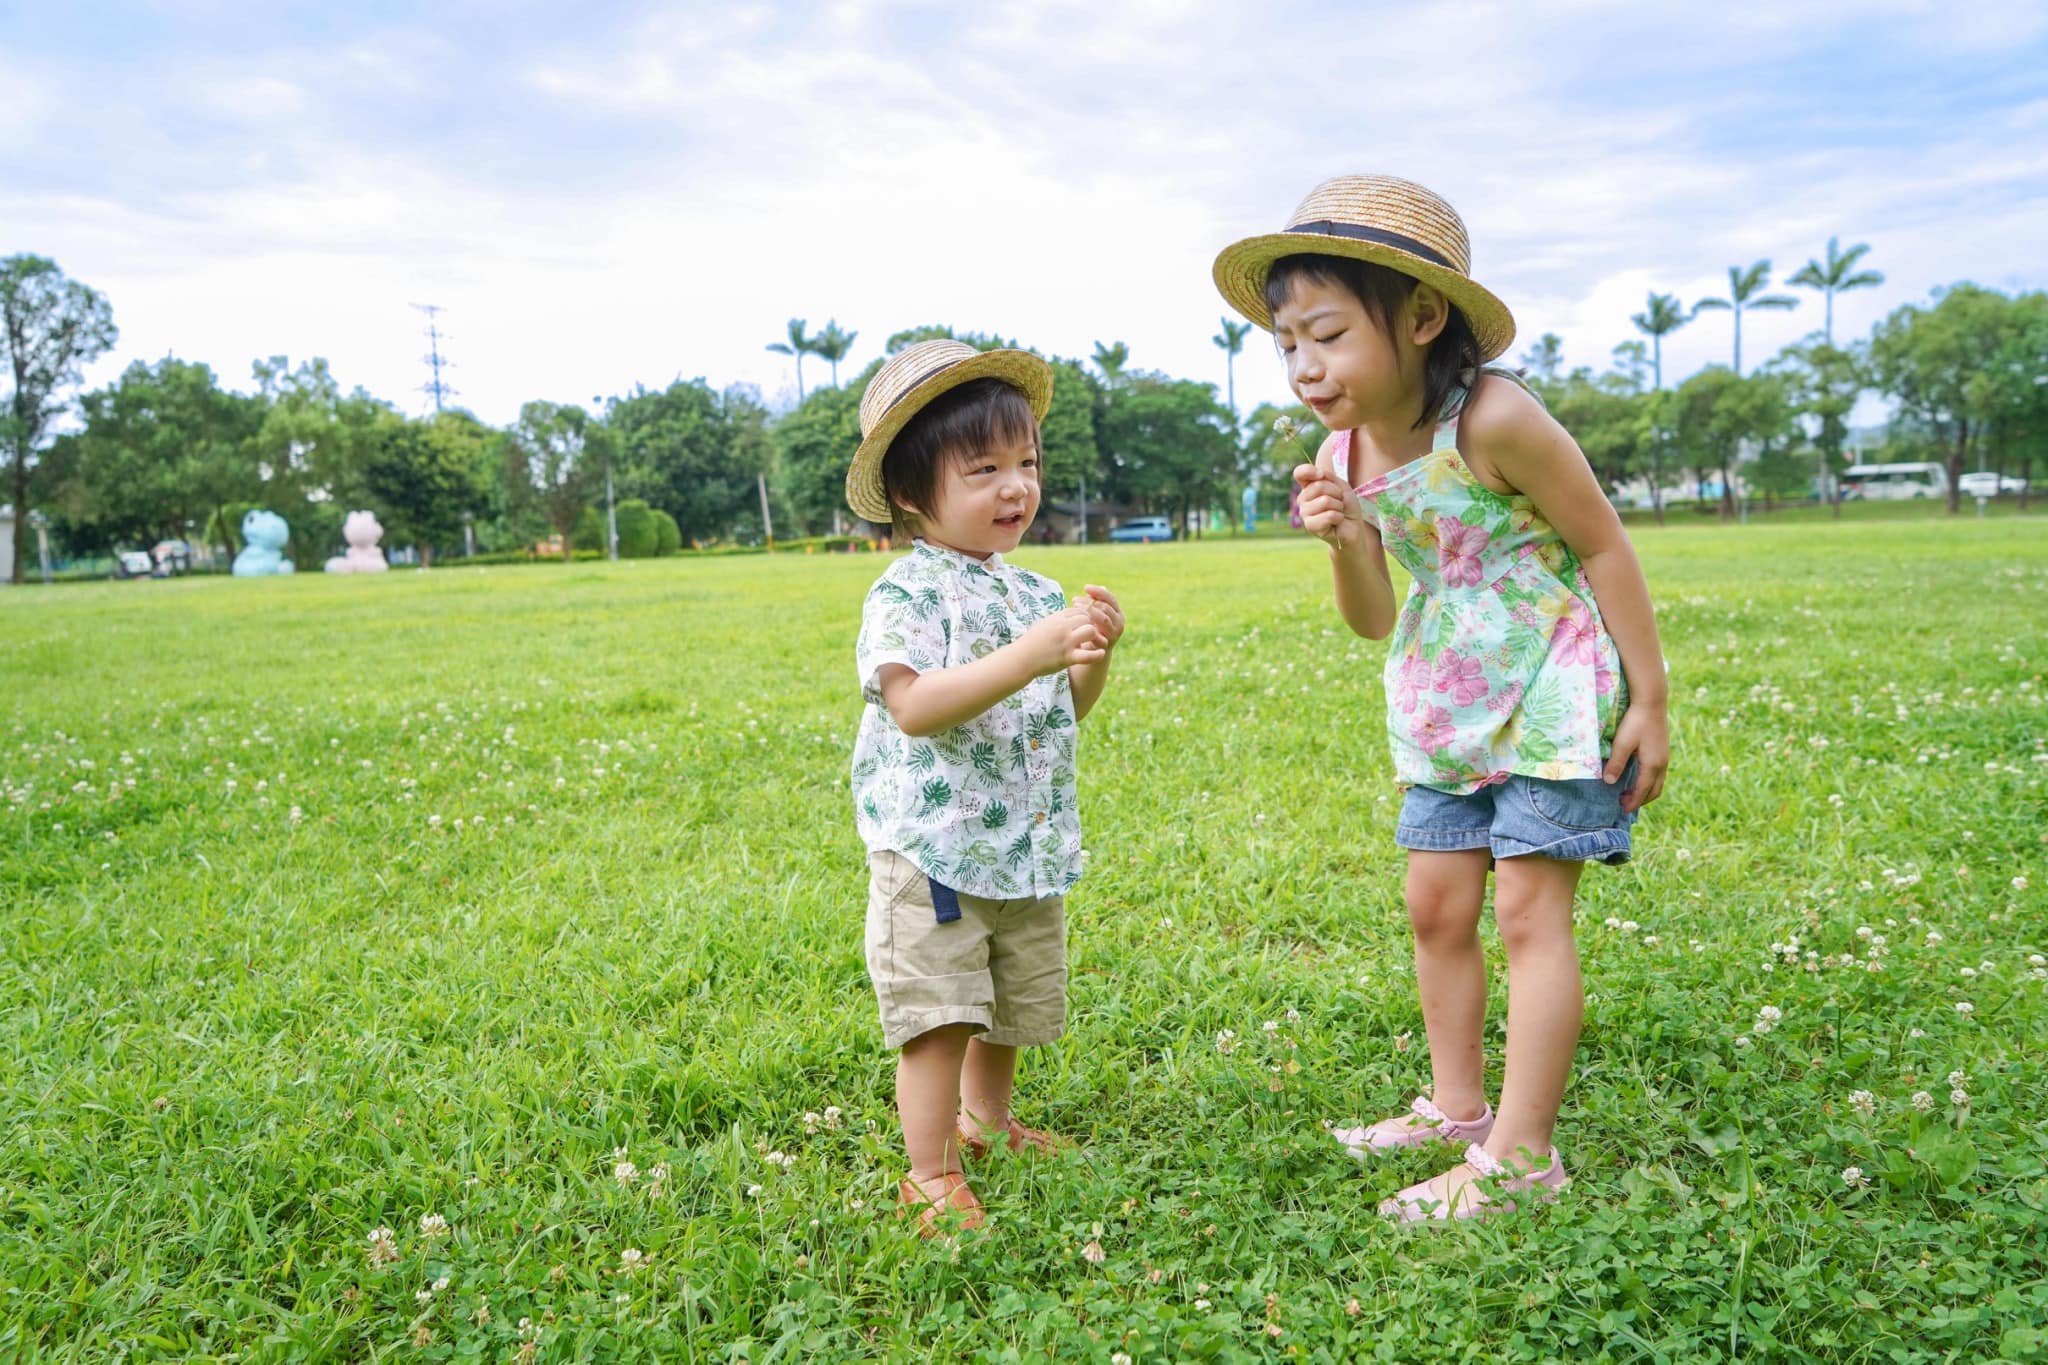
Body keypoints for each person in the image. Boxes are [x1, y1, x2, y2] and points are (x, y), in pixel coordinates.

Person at [1213, 175, 1671, 1221]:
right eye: (1285, 343)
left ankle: (1518, 1160)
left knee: (1525, 909)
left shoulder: (1496, 417)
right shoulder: (1341, 453)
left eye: (1324, 333)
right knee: (1434, 906)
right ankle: (1457, 1111)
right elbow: (1373, 614)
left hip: (1553, 681)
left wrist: (1649, 700)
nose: (1302, 366)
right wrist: (1342, 540)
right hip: (1440, 695)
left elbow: (1600, 541)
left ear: (1420, 319)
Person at [846, 340, 1126, 1234]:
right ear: (911, 493)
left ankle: (990, 1123)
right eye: (985, 469)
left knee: (1003, 1006)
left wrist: (1088, 657)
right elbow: (916, 705)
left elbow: (1061, 709)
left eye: (1028, 463)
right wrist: (1035, 649)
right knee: (940, 1013)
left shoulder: (1032, 590)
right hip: (935, 849)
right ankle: (929, 1169)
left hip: (1020, 842)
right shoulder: (907, 593)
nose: (1017, 487)